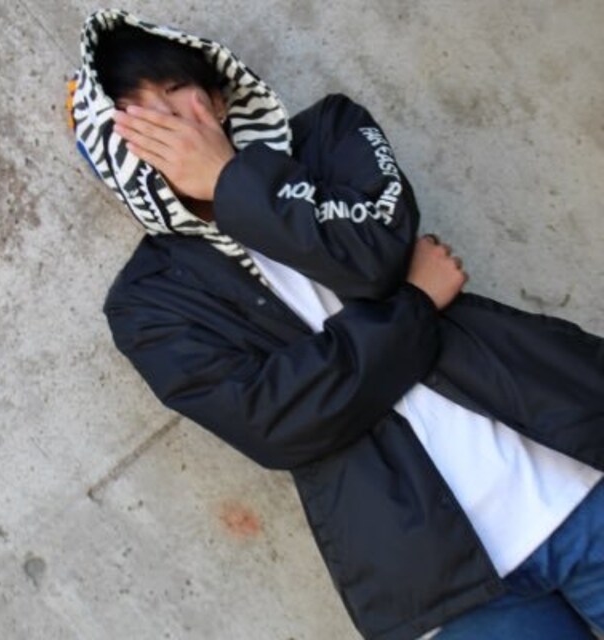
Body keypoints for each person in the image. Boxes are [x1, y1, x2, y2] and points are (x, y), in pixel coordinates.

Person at [69, 9, 604, 640]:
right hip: (441, 586)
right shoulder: (147, 303)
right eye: (135, 113)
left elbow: (375, 253)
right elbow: (277, 424)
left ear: (217, 96)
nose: (169, 121)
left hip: (574, 476)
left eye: (176, 90)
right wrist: (415, 303)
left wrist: (229, 179)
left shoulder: (329, 133)